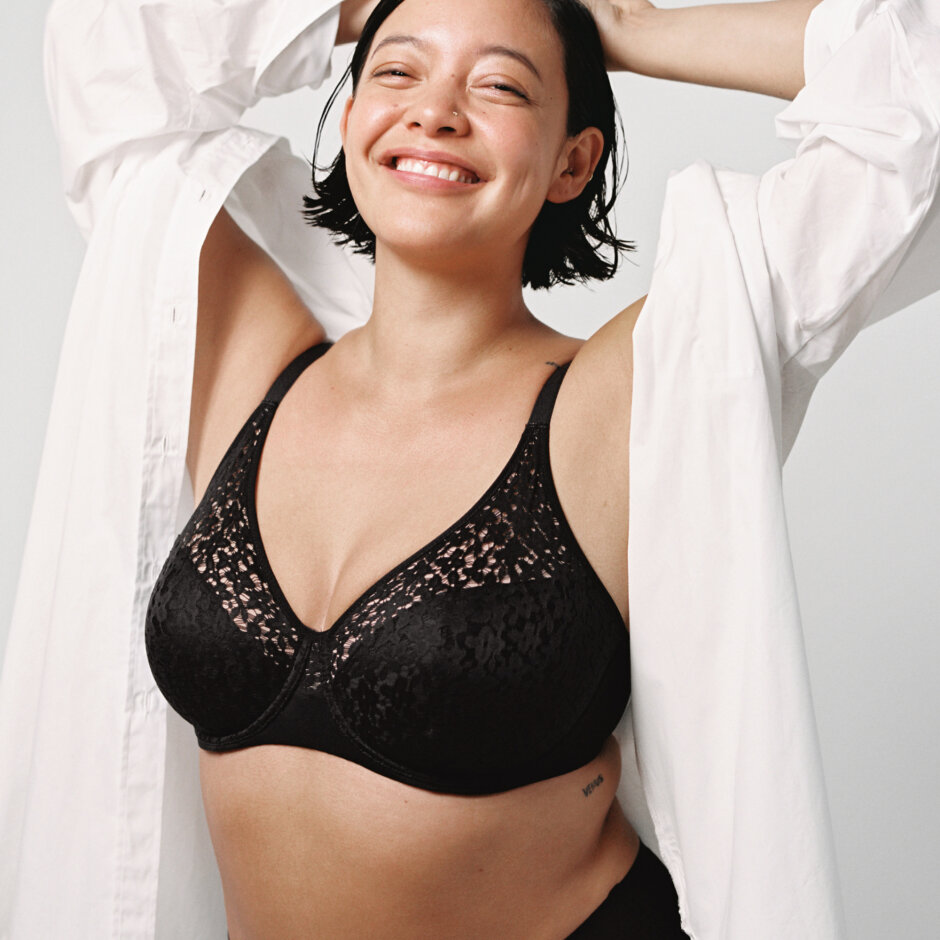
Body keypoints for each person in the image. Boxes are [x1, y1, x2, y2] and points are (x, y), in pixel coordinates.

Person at [1, 0, 937, 938]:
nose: (436, 112)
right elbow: (112, 55)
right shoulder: (242, 353)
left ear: (573, 161)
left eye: (499, 86)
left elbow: (919, 101)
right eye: (397, 72)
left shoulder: (626, 392)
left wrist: (620, 24)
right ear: (351, 118)